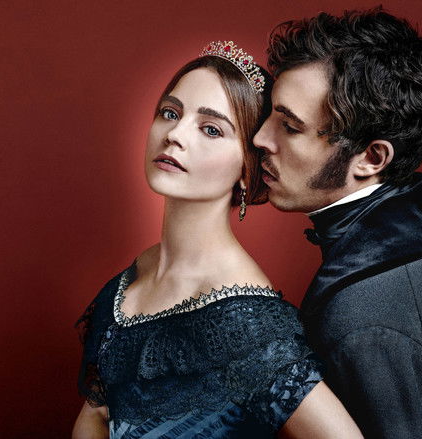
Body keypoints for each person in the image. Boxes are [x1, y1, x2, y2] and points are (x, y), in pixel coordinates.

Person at [72, 41, 362, 439]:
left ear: (247, 169)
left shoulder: (242, 319)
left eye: (211, 129)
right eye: (170, 113)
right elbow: (96, 415)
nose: (175, 135)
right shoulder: (140, 271)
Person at [253, 9, 422, 438]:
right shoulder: (413, 235)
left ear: (371, 158)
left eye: (289, 126)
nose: (260, 139)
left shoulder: (372, 319)